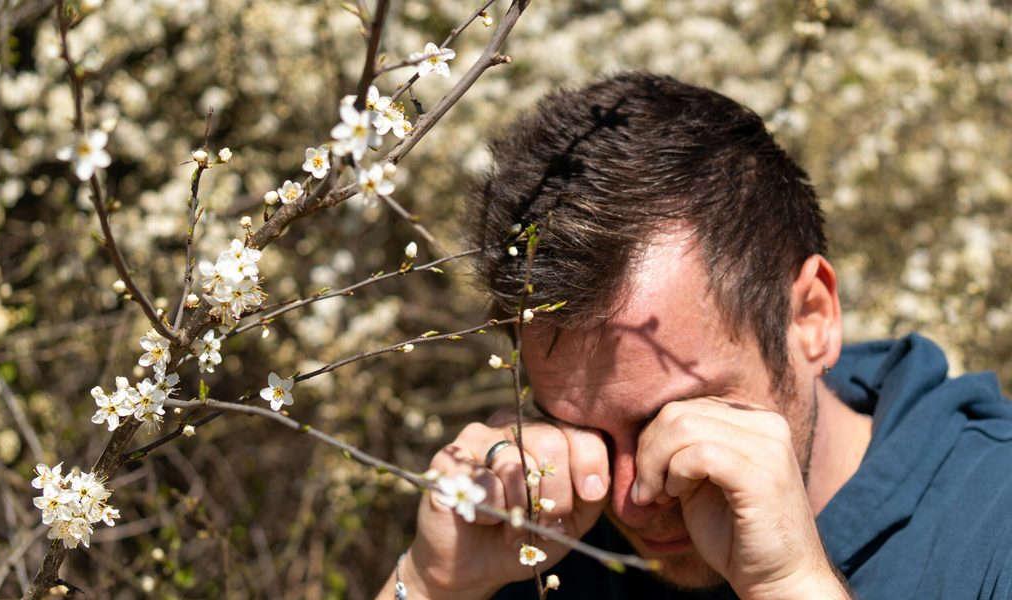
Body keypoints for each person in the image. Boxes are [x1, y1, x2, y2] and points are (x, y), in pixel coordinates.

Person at [376, 72, 1012, 599]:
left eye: (672, 418)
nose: (629, 498)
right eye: (581, 429)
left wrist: (793, 583)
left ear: (810, 318)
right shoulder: (552, 538)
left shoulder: (991, 525)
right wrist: (433, 581)